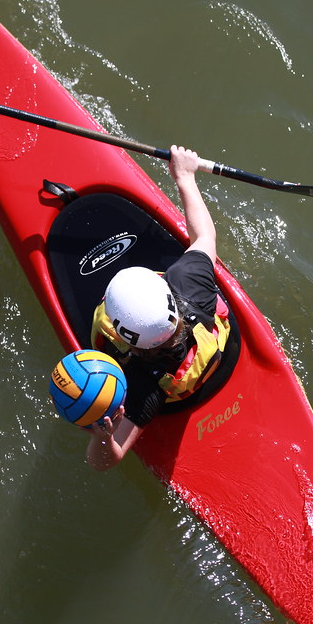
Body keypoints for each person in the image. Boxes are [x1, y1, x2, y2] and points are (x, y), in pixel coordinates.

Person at [85, 145, 230, 471]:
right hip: (200, 350)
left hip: (159, 384)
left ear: (123, 335)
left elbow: (104, 462)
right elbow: (205, 235)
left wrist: (102, 437)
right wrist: (185, 177)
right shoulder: (189, 282)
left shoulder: (141, 387)